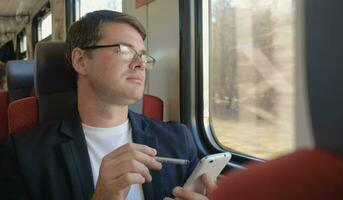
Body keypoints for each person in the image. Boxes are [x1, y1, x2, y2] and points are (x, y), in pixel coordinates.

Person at [0, 10, 215, 200]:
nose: (141, 64)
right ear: (81, 61)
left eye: (142, 55)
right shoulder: (22, 155)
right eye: (125, 50)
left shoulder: (179, 139)